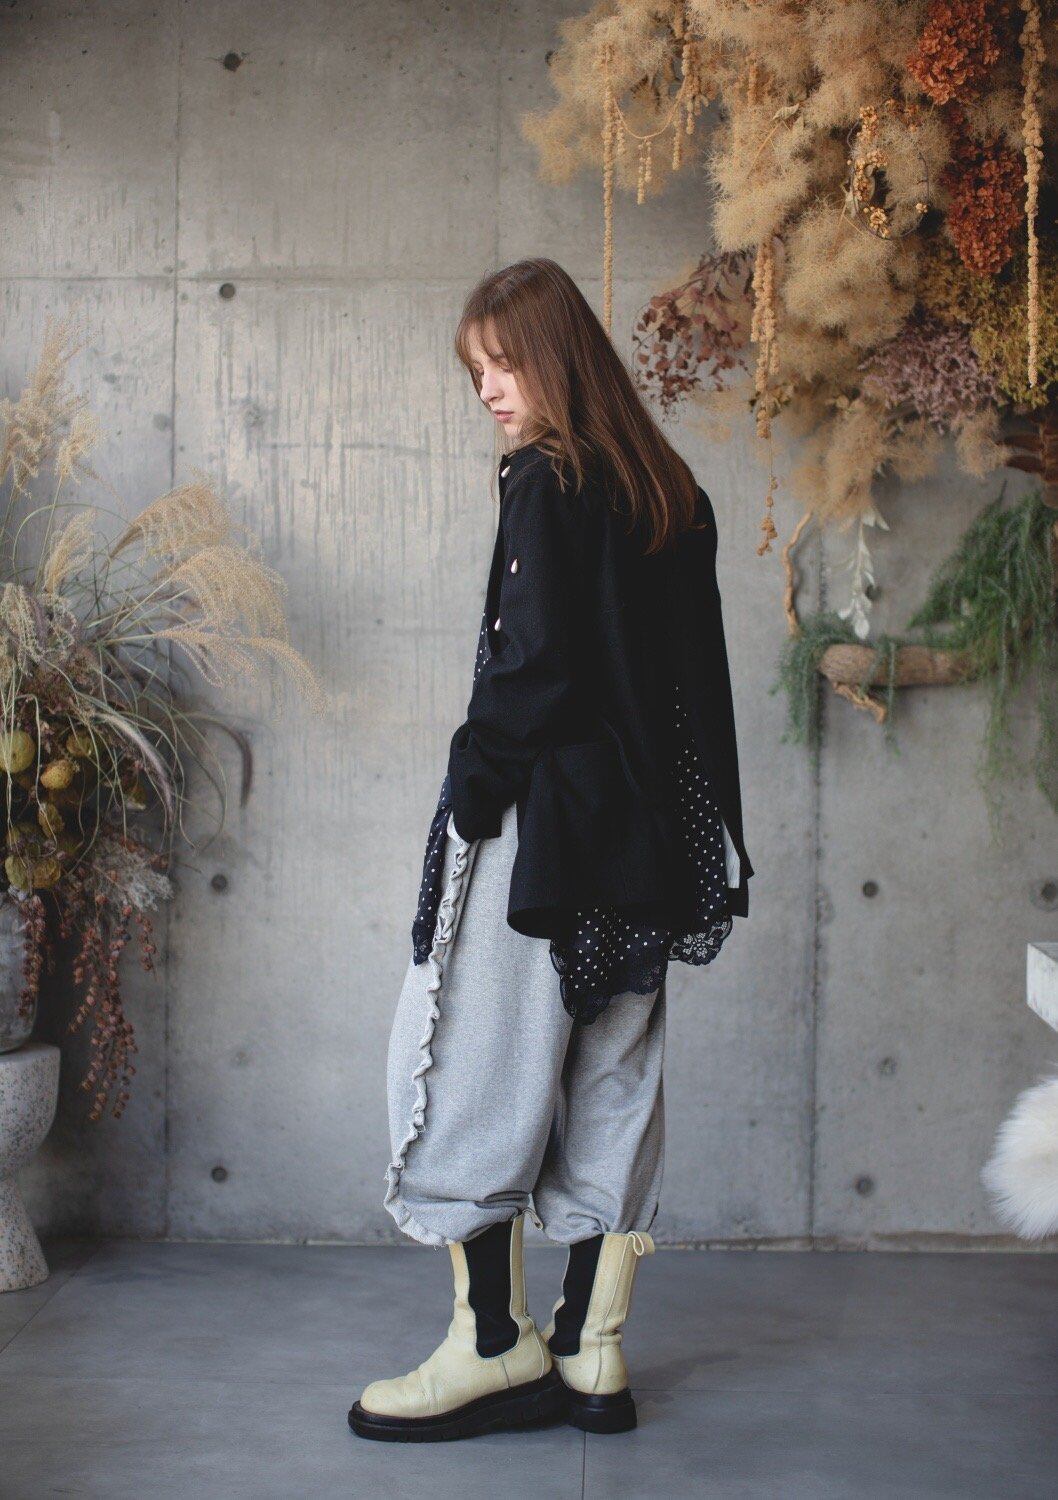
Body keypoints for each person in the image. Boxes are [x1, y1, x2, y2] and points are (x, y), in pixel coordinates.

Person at [348, 258, 753, 1444]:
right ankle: (590, 1347)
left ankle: (489, 1346)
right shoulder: (669, 490)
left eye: (503, 363)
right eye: (475, 370)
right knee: (612, 1074)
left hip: (548, 834)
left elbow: (533, 667)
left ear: (555, 357)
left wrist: (470, 797)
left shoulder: (548, 477)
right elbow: (688, 691)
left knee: (469, 1067)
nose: (487, 388)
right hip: (651, 840)